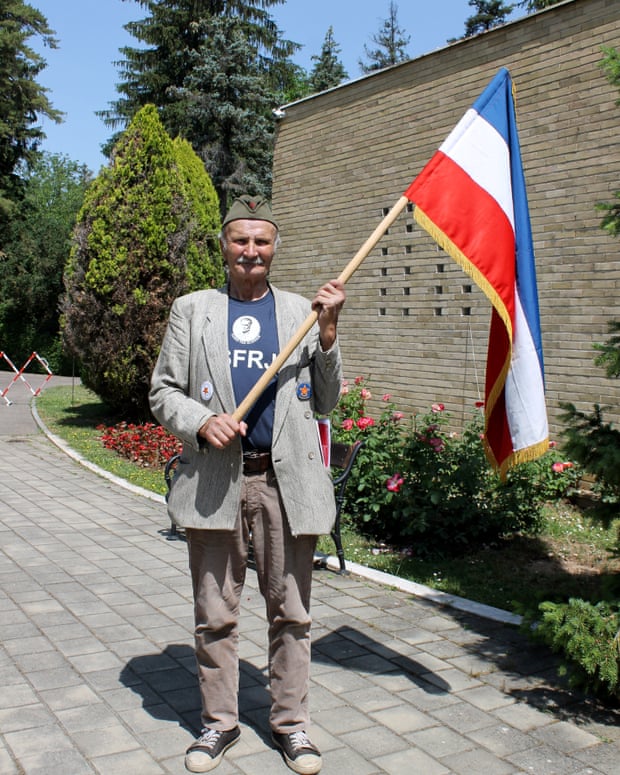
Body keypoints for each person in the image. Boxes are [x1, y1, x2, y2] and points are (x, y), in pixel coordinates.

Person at [149, 194, 345, 774]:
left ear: (274, 248)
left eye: (262, 241)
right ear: (224, 247)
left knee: (291, 613)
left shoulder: (302, 313)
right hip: (216, 482)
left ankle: (292, 725)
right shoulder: (193, 310)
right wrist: (199, 420)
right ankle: (219, 724)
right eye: (241, 240)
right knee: (216, 614)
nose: (251, 251)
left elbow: (327, 402)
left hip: (284, 483)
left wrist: (329, 332)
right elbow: (164, 391)